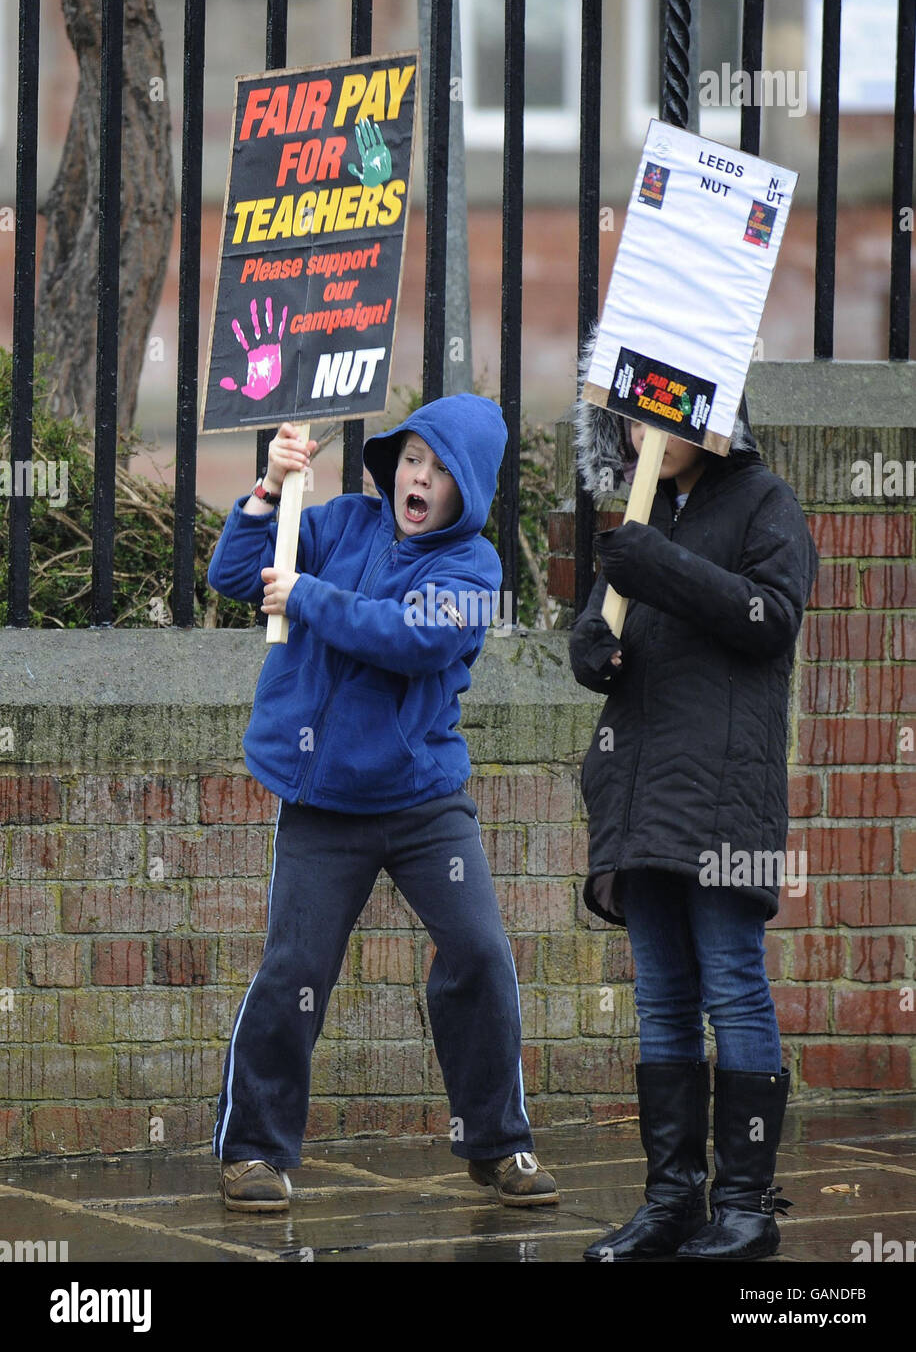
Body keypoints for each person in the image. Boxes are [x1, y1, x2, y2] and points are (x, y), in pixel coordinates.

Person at [206, 394, 557, 1214]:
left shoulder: (473, 569)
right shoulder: (339, 525)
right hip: (323, 800)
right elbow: (232, 576)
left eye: (438, 468)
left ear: (467, 488)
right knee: (295, 970)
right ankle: (253, 1151)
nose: (419, 477)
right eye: (410, 460)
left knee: (479, 955)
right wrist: (268, 491)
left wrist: (307, 598)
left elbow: (413, 638)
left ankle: (499, 1145)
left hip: (424, 800)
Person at [569, 389, 817, 1263]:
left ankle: (746, 1207)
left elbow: (771, 616)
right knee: (664, 1000)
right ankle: (670, 1201)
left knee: (732, 986)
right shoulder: (645, 516)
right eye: (635, 420)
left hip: (722, 801)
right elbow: (595, 628)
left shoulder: (764, 503)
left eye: (669, 417)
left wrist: (655, 566)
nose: (650, 436)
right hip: (641, 800)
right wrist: (591, 649)